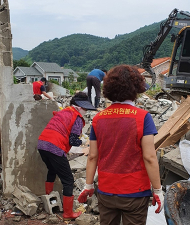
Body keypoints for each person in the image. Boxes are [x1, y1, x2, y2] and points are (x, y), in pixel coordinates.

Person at [78, 64, 164, 225]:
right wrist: (158, 190)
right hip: (135, 192)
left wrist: (88, 185)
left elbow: (92, 156)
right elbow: (150, 157)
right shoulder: (143, 117)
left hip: (106, 191)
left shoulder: (98, 119)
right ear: (136, 88)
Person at [37, 92, 96, 220]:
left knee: (52, 169)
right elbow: (73, 141)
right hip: (54, 146)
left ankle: (49, 198)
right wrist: (86, 142)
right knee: (68, 180)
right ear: (79, 106)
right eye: (85, 108)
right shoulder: (77, 117)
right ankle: (68, 214)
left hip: (42, 144)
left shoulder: (63, 112)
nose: (85, 111)